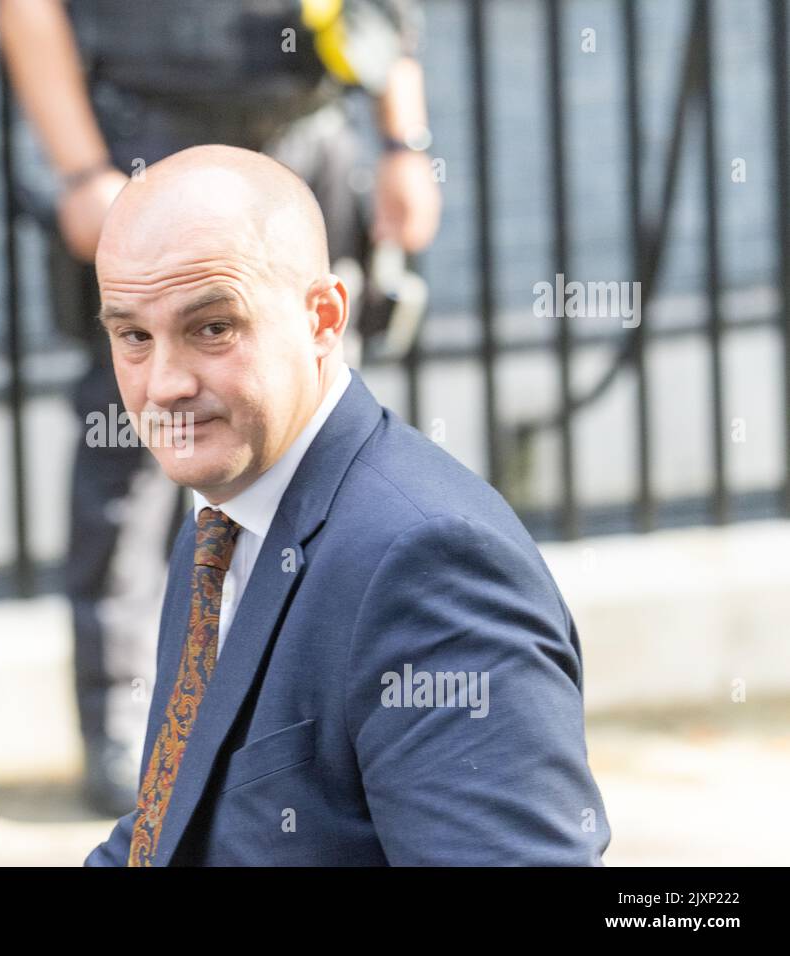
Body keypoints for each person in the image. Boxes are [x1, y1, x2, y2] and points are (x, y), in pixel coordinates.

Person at [83, 144, 610, 865]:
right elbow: (170, 833)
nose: (165, 383)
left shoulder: (430, 562)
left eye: (213, 328)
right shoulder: (219, 531)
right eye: (133, 336)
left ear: (325, 318)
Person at [0, 0, 441, 818]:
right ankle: (129, 731)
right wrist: (82, 170)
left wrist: (404, 142)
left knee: (313, 448)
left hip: (306, 134)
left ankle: (304, 713)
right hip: (147, 136)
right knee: (137, 452)